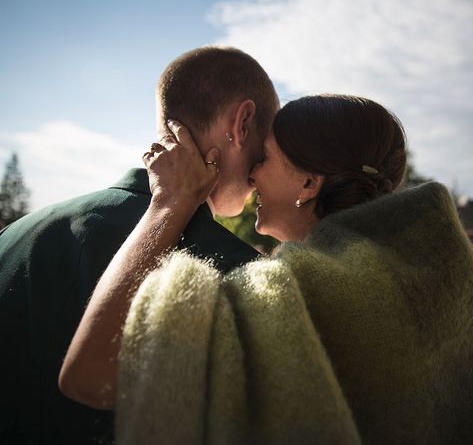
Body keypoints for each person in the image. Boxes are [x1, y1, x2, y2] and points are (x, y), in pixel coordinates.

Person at [61, 95, 473, 444]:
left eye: (264, 158)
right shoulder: (452, 289)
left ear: (310, 182)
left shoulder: (289, 296)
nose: (250, 172)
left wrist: (167, 205)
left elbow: (88, 375)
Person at [0, 45, 279, 444]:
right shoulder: (234, 271)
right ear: (243, 122)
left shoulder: (18, 232)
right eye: (267, 144)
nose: (265, 165)